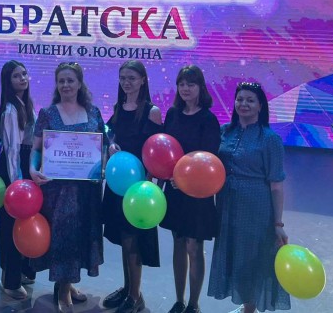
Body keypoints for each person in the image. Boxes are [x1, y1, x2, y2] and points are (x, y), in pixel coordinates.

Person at [207, 82, 290, 313]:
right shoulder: (225, 131)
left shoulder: (270, 139)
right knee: (234, 252)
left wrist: (278, 224)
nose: (244, 104)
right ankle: (245, 305)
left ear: (260, 106)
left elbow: (276, 185)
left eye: (250, 100)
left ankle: (250, 309)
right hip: (226, 204)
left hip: (255, 207)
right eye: (240, 99)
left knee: (252, 256)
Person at [29, 62, 105, 313]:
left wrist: (105, 160)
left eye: (70, 80)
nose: (65, 85)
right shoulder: (48, 113)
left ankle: (69, 284)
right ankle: (62, 290)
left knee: (81, 234)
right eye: (61, 81)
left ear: (80, 83)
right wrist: (32, 169)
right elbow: (36, 148)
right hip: (59, 191)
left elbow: (102, 145)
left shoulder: (93, 112)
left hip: (87, 191)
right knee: (63, 236)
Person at [102, 61, 162, 313]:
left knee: (133, 240)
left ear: (143, 80)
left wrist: (149, 182)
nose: (127, 82)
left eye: (132, 78)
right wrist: (111, 145)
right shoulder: (118, 108)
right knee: (124, 238)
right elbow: (108, 132)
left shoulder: (151, 111)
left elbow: (157, 150)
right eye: (123, 78)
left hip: (139, 188)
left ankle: (135, 297)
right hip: (118, 185)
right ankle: (128, 289)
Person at [160, 65, 221, 313]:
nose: (185, 88)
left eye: (191, 84)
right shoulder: (172, 114)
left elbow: (209, 157)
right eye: (182, 84)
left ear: (200, 87)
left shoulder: (208, 119)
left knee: (194, 247)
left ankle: (193, 304)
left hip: (198, 191)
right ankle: (179, 300)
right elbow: (165, 150)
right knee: (178, 242)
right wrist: (168, 176)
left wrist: (186, 179)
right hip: (174, 190)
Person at [0, 60, 37, 299]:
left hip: (24, 167)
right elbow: (12, 150)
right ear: (8, 82)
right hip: (13, 172)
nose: (22, 78)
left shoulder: (26, 104)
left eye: (24, 73)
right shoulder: (10, 110)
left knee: (23, 223)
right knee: (10, 226)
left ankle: (22, 270)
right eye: (16, 76)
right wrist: (16, 184)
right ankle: (9, 280)